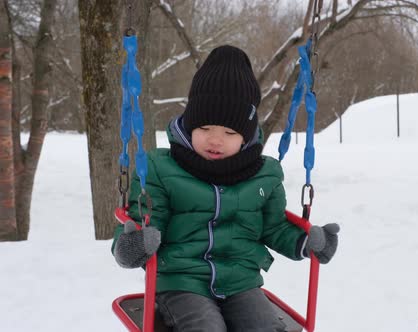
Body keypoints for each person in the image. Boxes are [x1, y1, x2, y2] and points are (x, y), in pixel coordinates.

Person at [111, 45, 340, 332]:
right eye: (205, 129)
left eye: (230, 133)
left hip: (241, 282)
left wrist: (308, 243)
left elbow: (274, 226)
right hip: (181, 280)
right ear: (189, 125)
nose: (215, 140)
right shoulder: (161, 168)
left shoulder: (264, 174)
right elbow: (144, 219)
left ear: (245, 137)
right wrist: (131, 246)